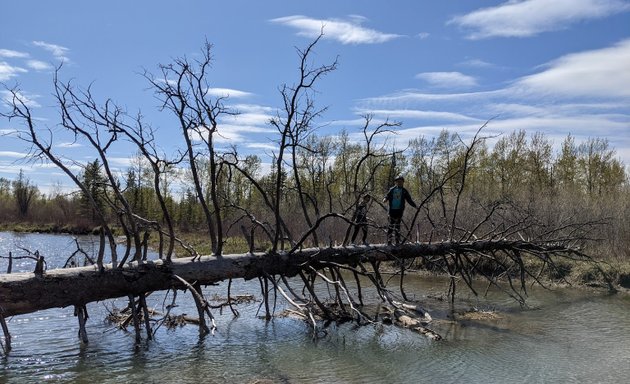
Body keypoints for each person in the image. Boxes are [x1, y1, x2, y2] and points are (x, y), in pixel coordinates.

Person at [382, 175, 417, 245]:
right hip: (392, 210)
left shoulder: (404, 191)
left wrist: (415, 206)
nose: (399, 183)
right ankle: (389, 241)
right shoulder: (392, 189)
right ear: (395, 182)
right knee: (391, 225)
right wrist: (385, 199)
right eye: (398, 182)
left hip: (399, 211)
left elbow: (409, 200)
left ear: (403, 182)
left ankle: (397, 241)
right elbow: (387, 195)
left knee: (397, 226)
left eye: (401, 182)